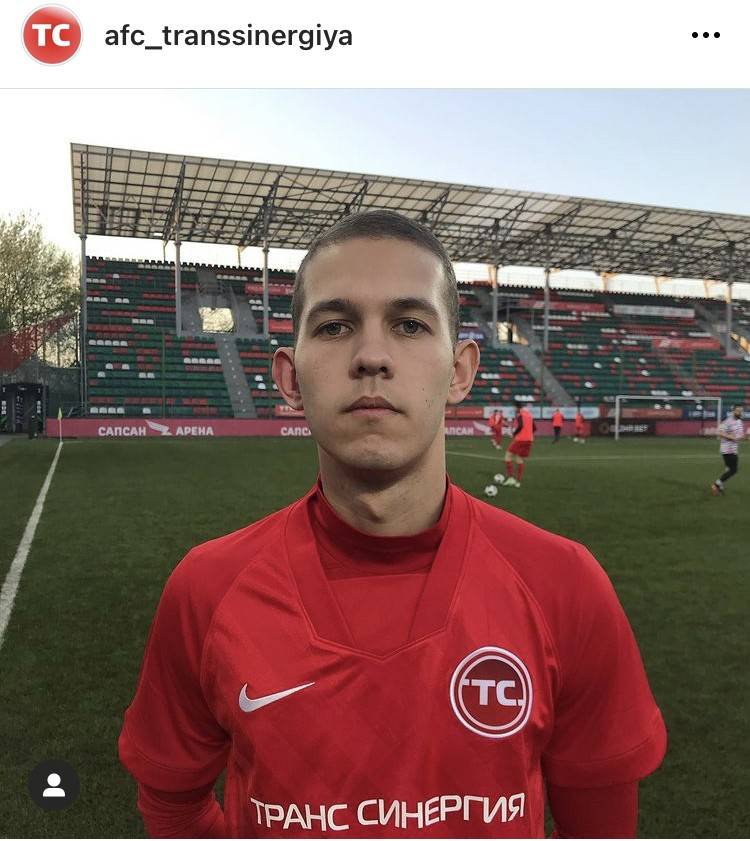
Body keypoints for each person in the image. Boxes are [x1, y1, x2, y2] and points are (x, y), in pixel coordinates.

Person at [119, 210, 666, 838]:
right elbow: (174, 805)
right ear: (290, 379)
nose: (372, 357)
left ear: (459, 371)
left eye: (409, 324)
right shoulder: (206, 591)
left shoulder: (565, 587)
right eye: (334, 326)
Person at [711, 404, 744, 495]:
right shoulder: (728, 421)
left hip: (734, 448)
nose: (740, 413)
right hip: (727, 449)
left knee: (728, 468)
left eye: (741, 411)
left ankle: (720, 486)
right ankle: (716, 484)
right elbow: (718, 432)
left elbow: (740, 434)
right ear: (733, 411)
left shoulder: (740, 422)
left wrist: (741, 436)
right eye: (738, 411)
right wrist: (730, 437)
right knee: (734, 470)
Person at [503, 402, 536, 488]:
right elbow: (534, 428)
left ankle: (511, 478)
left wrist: (514, 434)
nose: (514, 409)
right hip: (529, 440)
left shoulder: (520, 414)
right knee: (519, 459)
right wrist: (528, 434)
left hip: (520, 439)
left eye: (514, 408)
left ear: (517, 407)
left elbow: (520, 425)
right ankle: (518, 482)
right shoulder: (529, 415)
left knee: (508, 456)